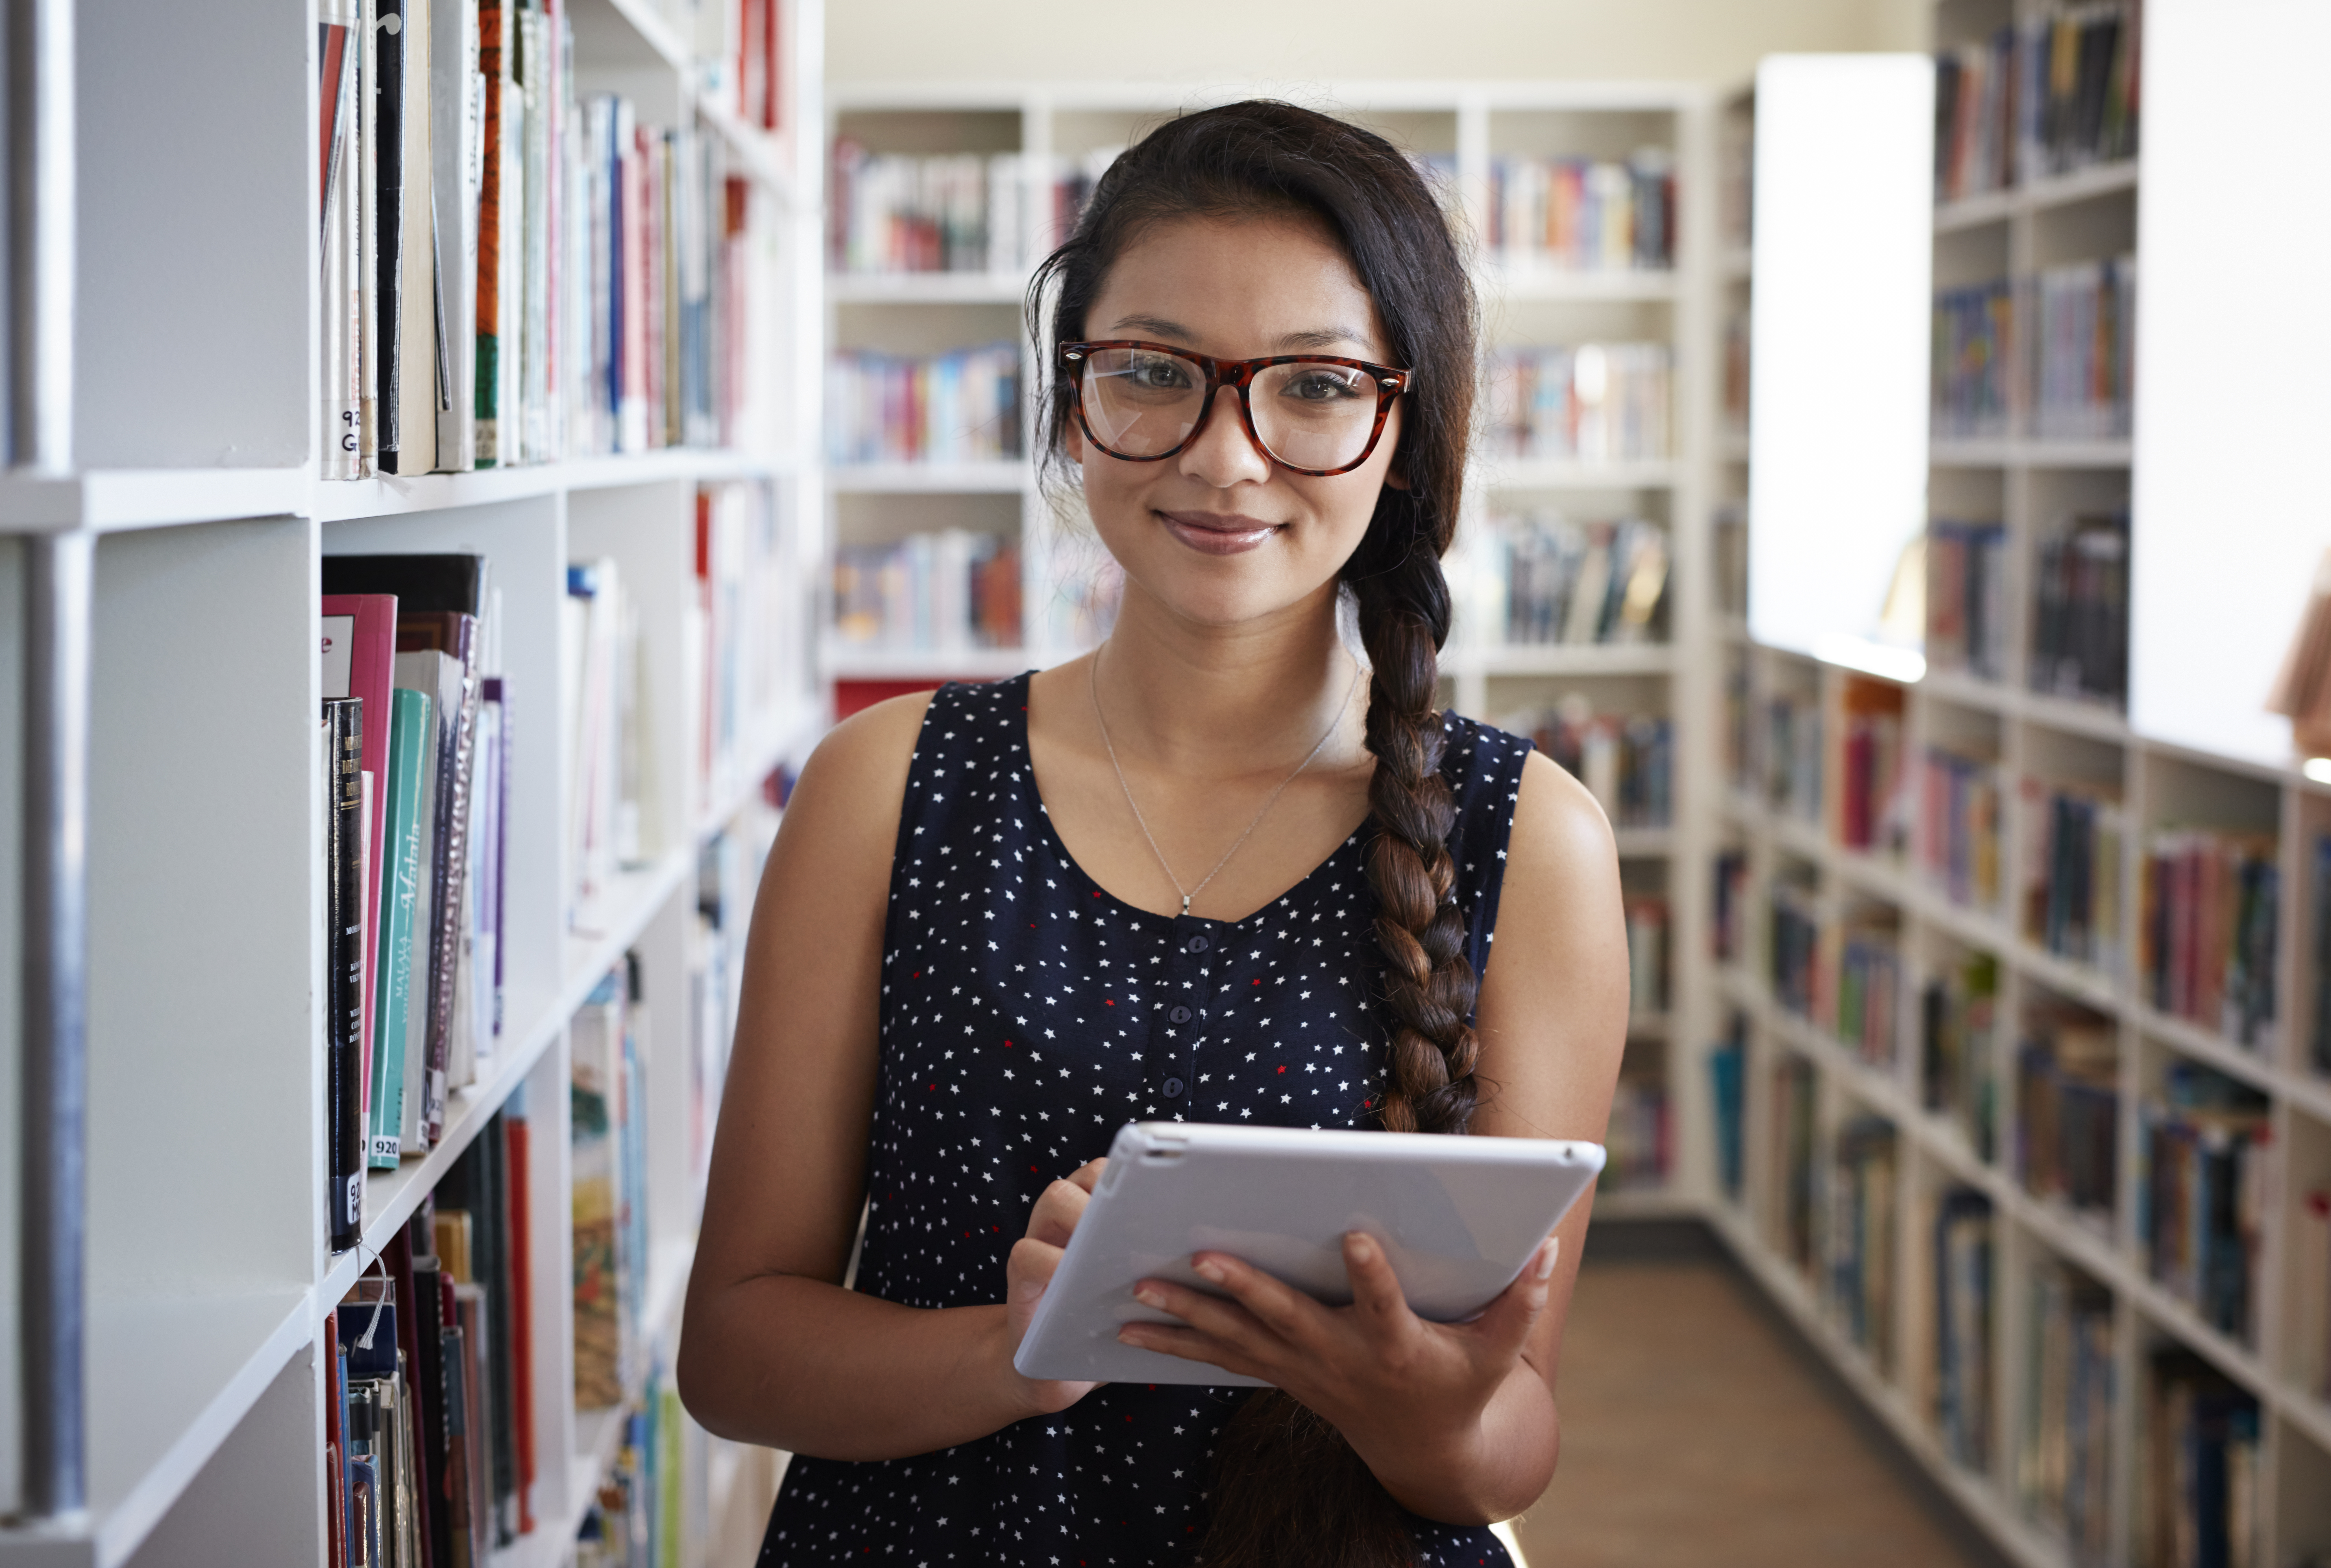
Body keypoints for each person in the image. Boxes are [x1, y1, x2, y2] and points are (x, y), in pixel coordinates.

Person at [678, 99, 1629, 1567]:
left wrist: (1423, 1412)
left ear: (1403, 421)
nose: (1226, 453)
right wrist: (1019, 1348)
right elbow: (734, 1353)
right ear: (1073, 395)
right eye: (1153, 373)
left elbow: (1516, 1436)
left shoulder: (1530, 840)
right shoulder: (886, 788)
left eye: (1311, 386)